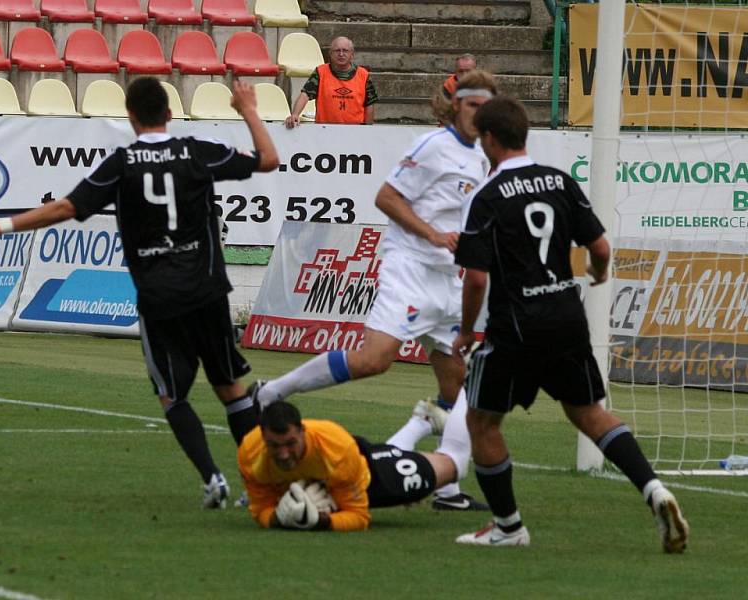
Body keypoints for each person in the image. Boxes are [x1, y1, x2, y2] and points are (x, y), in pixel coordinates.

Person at [0, 76, 280, 510]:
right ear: (169, 113)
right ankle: (259, 485)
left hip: (159, 295)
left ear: (131, 117)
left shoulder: (122, 163)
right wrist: (247, 109)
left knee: (172, 395)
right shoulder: (196, 151)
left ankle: (213, 478)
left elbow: (67, 207)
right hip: (206, 289)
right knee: (231, 389)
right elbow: (268, 159)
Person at [451, 95, 689, 552]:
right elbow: (599, 248)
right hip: (565, 316)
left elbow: (476, 278)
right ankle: (654, 490)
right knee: (589, 413)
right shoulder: (559, 181)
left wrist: (465, 331)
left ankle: (508, 526)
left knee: (481, 421)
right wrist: (599, 276)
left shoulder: (486, 196)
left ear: (491, 140)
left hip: (515, 326)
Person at [253, 70, 499, 511]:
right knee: (374, 361)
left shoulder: (480, 155)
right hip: (411, 268)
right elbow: (386, 198)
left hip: (447, 278)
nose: (479, 113)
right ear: (455, 106)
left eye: (486, 106)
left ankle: (445, 490)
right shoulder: (433, 147)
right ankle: (273, 391)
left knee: (457, 386)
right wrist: (431, 235)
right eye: (472, 104)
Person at [238, 400, 472, 531]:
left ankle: (467, 387)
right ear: (262, 437)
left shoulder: (337, 451)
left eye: (290, 444)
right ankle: (421, 422)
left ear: (302, 431)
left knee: (455, 465)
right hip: (332, 472)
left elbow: (359, 516)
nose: (284, 454)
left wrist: (322, 521)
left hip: (366, 473)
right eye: (274, 446)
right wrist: (278, 519)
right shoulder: (250, 453)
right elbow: (260, 510)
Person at [284, 36, 378, 128]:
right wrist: (295, 114)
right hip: (324, 130)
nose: (341, 54)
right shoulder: (320, 72)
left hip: (355, 130)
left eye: (345, 50)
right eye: (337, 50)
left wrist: (367, 129)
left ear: (352, 54)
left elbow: (369, 104)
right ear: (330, 54)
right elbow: (305, 95)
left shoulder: (363, 75)